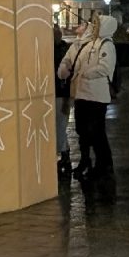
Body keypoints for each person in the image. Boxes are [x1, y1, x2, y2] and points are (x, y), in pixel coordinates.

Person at [57, 15, 118, 181]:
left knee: (96, 132)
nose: (93, 26)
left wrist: (85, 73)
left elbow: (104, 67)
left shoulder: (106, 45)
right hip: (82, 94)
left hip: (97, 96)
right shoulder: (89, 44)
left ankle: (104, 164)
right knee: (82, 130)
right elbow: (74, 61)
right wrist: (67, 69)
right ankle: (88, 162)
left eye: (97, 24)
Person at [52, 31, 73, 178]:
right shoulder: (60, 51)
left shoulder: (63, 53)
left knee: (60, 127)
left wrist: (67, 98)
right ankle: (64, 156)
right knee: (58, 128)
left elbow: (67, 77)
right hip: (55, 94)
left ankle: (63, 157)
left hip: (60, 95)